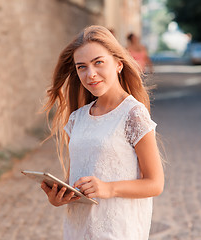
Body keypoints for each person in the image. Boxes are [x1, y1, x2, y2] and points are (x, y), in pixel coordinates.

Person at [41, 25, 164, 239]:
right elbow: (74, 179)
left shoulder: (133, 114)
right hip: (77, 230)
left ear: (118, 64)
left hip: (117, 232)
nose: (91, 74)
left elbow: (155, 183)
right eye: (82, 67)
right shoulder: (76, 119)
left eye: (98, 62)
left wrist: (109, 188)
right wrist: (59, 196)